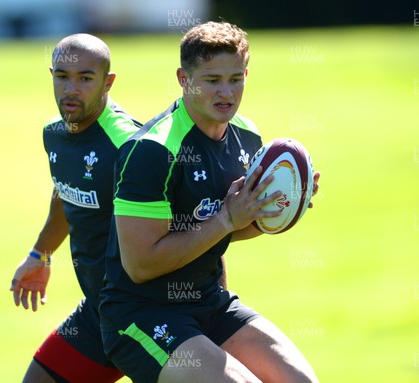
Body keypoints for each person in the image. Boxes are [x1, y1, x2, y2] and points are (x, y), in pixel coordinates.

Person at [99, 21, 321, 383]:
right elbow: (140, 264)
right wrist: (225, 219)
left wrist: (279, 207)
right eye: (212, 80)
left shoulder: (248, 138)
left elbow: (232, 228)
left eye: (236, 79)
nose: (226, 93)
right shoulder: (152, 151)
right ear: (183, 79)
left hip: (210, 303)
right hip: (143, 315)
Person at [9, 33, 141, 383]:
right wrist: (40, 254)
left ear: (107, 82)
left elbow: (181, 222)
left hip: (146, 314)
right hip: (100, 312)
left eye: (85, 78)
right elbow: (66, 193)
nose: (71, 89)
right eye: (62, 77)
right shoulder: (55, 135)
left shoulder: (129, 148)